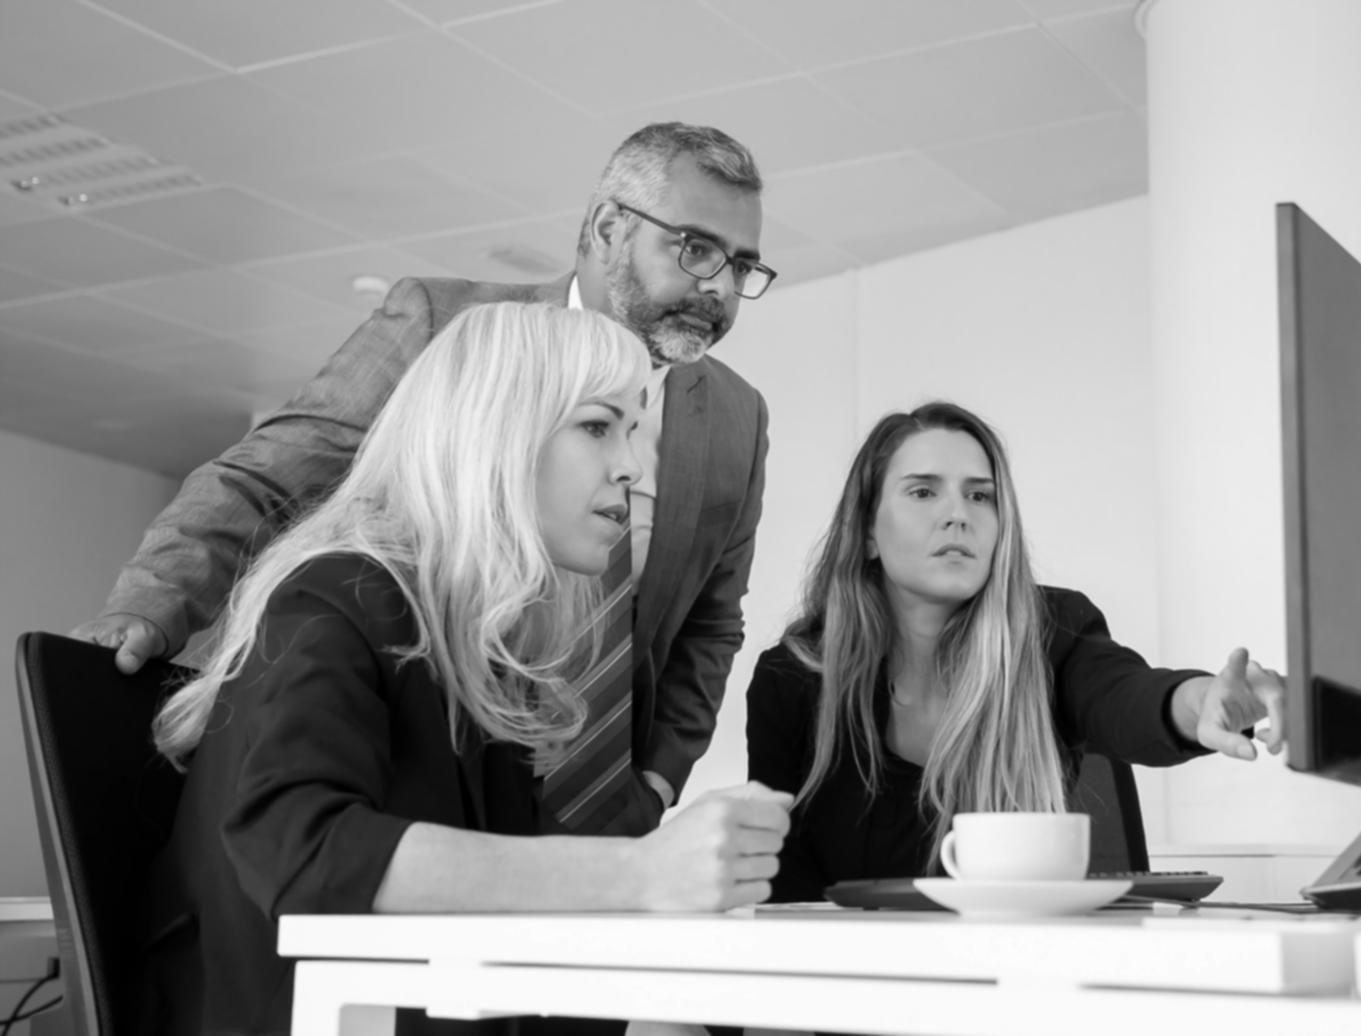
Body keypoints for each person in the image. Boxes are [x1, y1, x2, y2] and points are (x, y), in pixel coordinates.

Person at [72, 122, 776, 831]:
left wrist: (655, 783)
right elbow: (265, 480)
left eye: (741, 267)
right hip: (411, 777)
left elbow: (710, 625)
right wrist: (148, 605)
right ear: (606, 228)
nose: (719, 289)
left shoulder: (736, 418)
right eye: (694, 249)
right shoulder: (450, 329)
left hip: (591, 808)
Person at [139, 302, 792, 1036]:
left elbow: (514, 875)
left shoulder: (475, 649)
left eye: (633, 432)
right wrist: (642, 873)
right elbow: (305, 851)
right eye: (598, 425)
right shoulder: (336, 595)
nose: (632, 467)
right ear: (499, 429)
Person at [746, 402, 1283, 903]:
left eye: (980, 496)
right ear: (866, 529)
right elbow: (781, 890)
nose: (958, 515)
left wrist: (1202, 701)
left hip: (1021, 974)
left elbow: (1127, 695)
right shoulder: (792, 676)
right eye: (923, 492)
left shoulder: (1053, 632)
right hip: (849, 981)